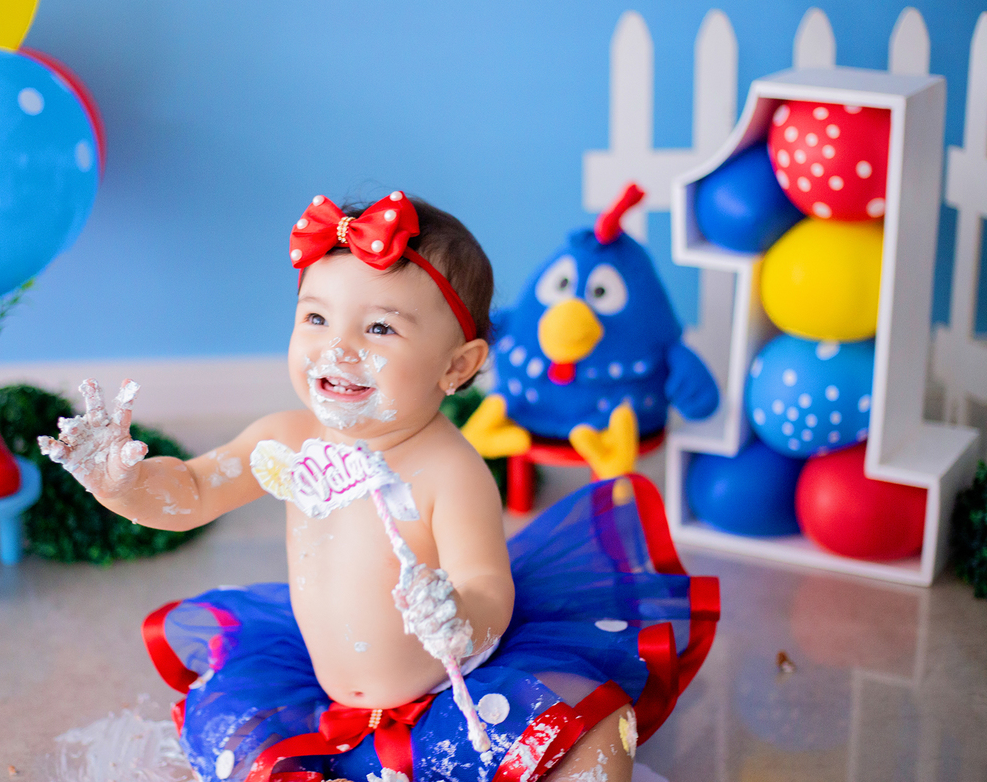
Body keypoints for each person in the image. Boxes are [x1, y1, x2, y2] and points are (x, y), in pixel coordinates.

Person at [40, 191, 716, 782]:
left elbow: (486, 586)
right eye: (316, 318)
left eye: (380, 328)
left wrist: (459, 619)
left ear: (458, 367)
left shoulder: (450, 471)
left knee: (598, 730)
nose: (338, 349)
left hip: (453, 690)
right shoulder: (287, 439)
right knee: (242, 746)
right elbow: (191, 491)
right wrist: (123, 484)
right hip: (318, 692)